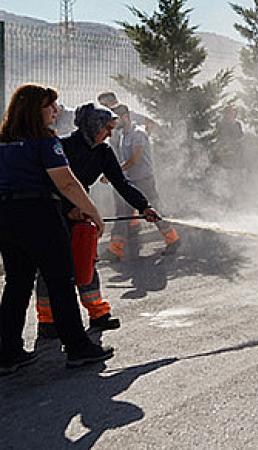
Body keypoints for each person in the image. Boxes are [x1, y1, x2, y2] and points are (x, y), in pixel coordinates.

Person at [0, 84, 114, 374]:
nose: (56, 111)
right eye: (50, 106)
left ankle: (8, 351)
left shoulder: (2, 141)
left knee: (17, 283)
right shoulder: (45, 142)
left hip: (6, 217)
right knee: (61, 280)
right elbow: (66, 182)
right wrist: (93, 212)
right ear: (34, 110)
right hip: (39, 215)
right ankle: (77, 347)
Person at [34, 103, 163, 339]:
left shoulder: (103, 152)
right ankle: (47, 320)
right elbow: (47, 184)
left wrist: (144, 206)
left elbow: (121, 183)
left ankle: (98, 314)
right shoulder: (62, 147)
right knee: (50, 268)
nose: (110, 134)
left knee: (86, 261)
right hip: (53, 212)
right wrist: (68, 209)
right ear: (93, 126)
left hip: (80, 211)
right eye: (107, 128)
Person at [108, 104, 179, 260]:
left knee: (155, 211)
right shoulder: (122, 135)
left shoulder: (138, 134)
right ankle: (115, 249)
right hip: (130, 181)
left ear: (125, 117)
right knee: (123, 214)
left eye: (115, 119)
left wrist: (114, 173)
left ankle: (173, 239)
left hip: (144, 181)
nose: (113, 123)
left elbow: (135, 159)